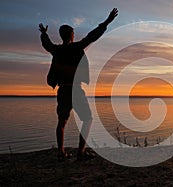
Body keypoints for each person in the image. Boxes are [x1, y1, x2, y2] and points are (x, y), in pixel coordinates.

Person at [39, 8, 118, 161]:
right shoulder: (76, 47)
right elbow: (92, 36)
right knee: (87, 119)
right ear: (72, 35)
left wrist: (43, 33)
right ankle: (80, 152)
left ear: (62, 36)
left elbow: (47, 44)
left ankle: (61, 152)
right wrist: (107, 22)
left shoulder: (57, 50)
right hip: (75, 90)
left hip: (62, 90)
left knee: (62, 122)